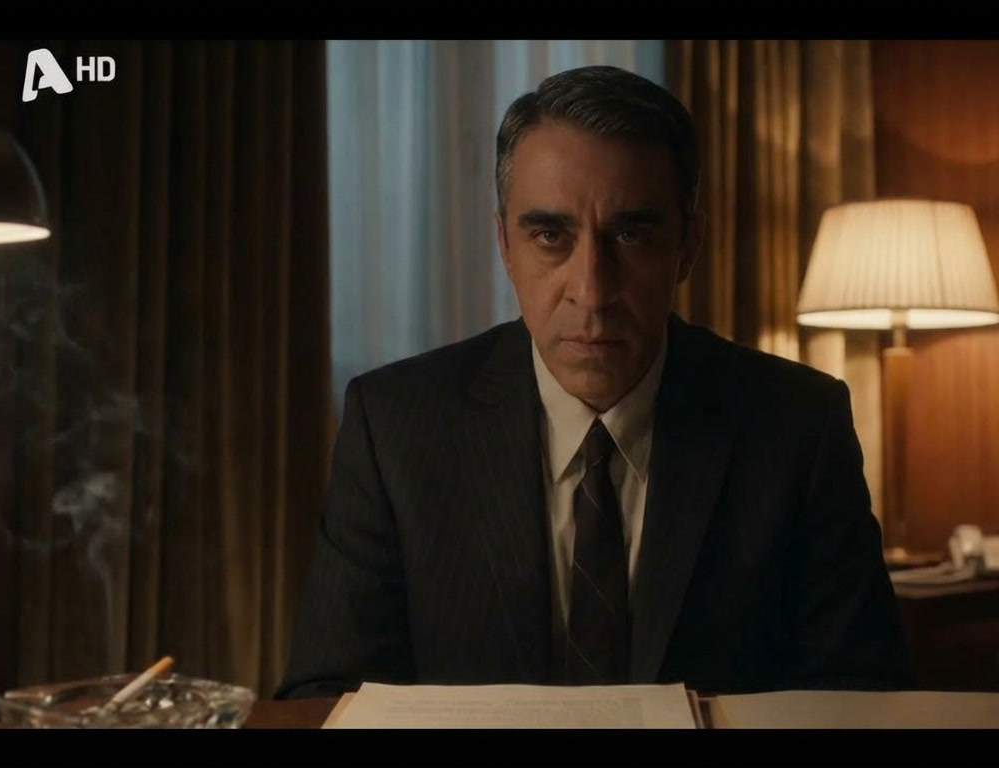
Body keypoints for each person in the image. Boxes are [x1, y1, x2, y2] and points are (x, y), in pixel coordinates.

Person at [276, 65, 912, 699]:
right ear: (504, 244)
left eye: (630, 235)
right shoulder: (394, 426)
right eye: (550, 236)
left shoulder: (800, 426)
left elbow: (862, 697)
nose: (592, 291)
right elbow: (325, 699)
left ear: (688, 246)